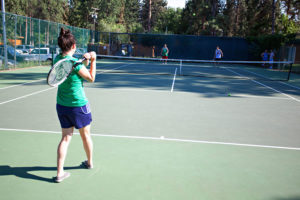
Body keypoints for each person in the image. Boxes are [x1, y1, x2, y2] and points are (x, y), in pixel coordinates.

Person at [54, 27, 97, 183]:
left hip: (62, 106)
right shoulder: (75, 64)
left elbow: (74, 66)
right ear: (73, 46)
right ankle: (89, 162)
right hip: (79, 106)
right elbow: (91, 78)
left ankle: (59, 173)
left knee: (65, 138)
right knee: (86, 136)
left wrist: (83, 60)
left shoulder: (57, 60)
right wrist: (93, 60)